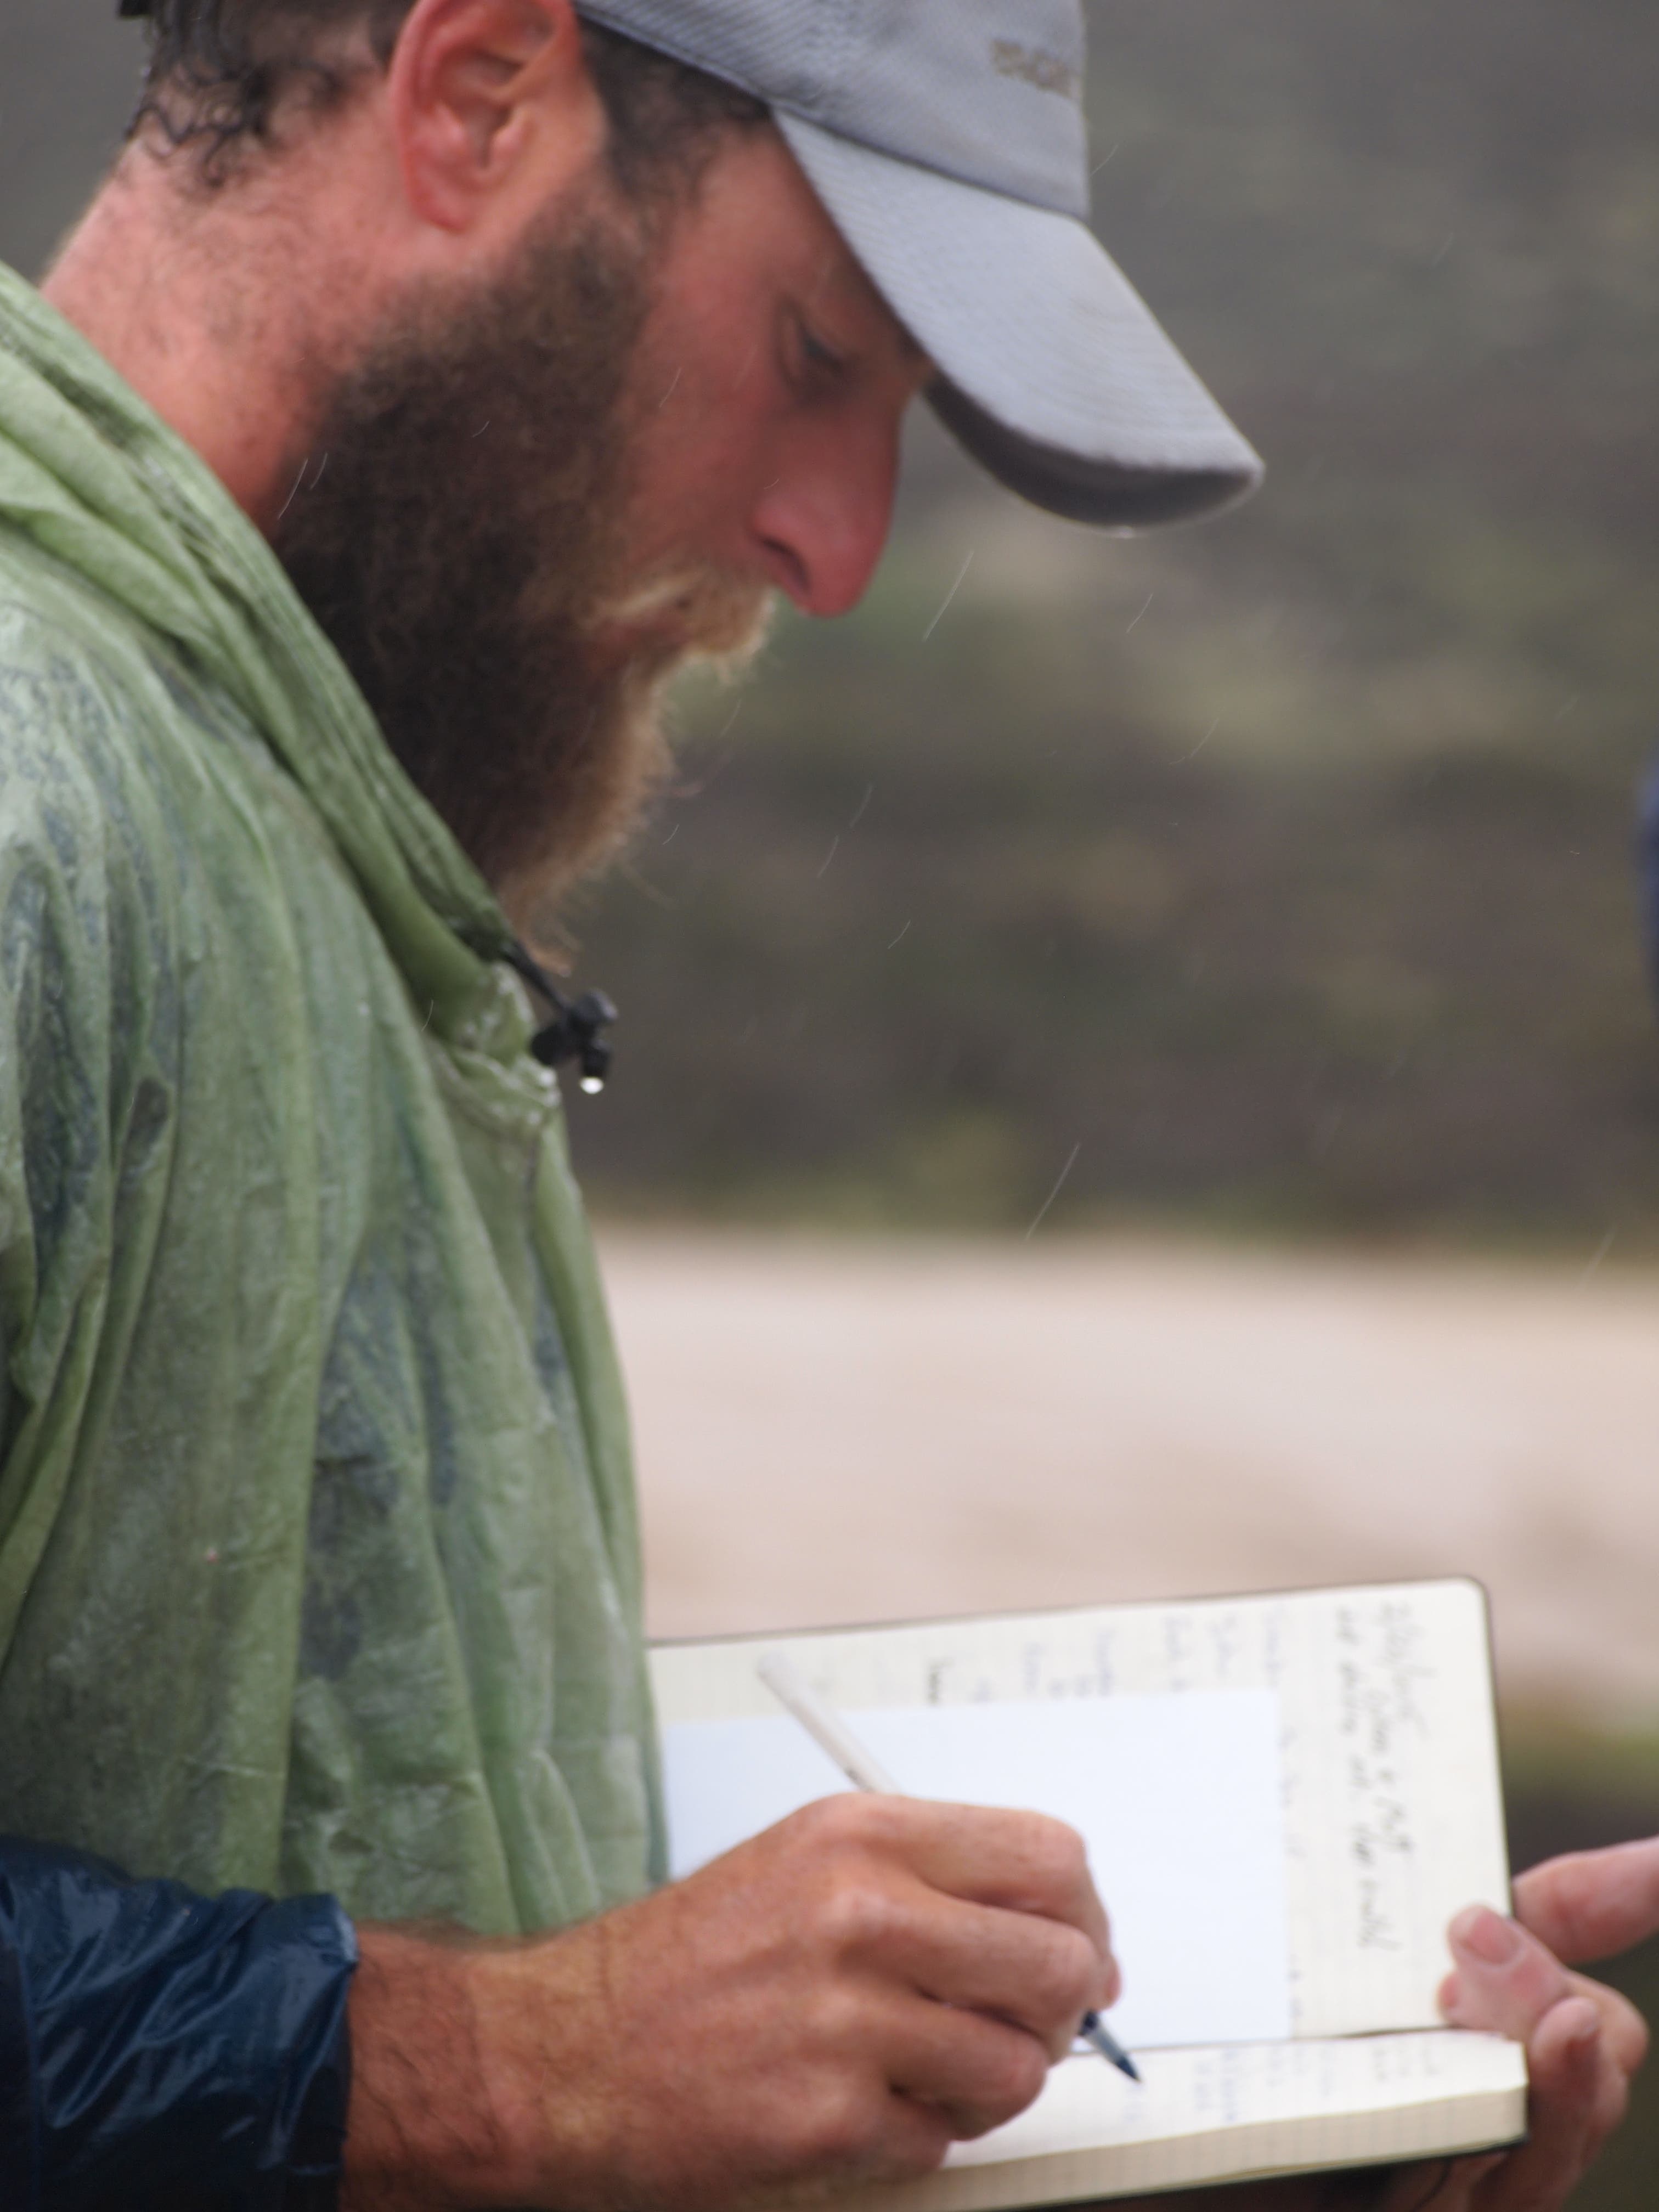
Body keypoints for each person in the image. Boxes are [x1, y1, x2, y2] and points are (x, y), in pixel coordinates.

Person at [0, 2, 1649, 2206]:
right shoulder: (38, 802)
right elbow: (500, 2060)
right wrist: (524, 2060)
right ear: (477, 96)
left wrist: (1248, 2056)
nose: (840, 551)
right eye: (813, 356)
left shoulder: (331, 849)